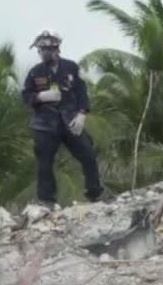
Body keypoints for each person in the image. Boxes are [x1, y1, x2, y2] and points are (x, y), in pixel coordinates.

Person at [22, 30, 104, 207]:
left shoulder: (71, 67)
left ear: (56, 49)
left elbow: (82, 91)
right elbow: (26, 95)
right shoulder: (35, 72)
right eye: (40, 50)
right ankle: (47, 200)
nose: (43, 53)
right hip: (44, 124)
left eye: (47, 50)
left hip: (70, 120)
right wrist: (40, 97)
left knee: (88, 154)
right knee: (44, 163)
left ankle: (94, 193)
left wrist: (82, 113)